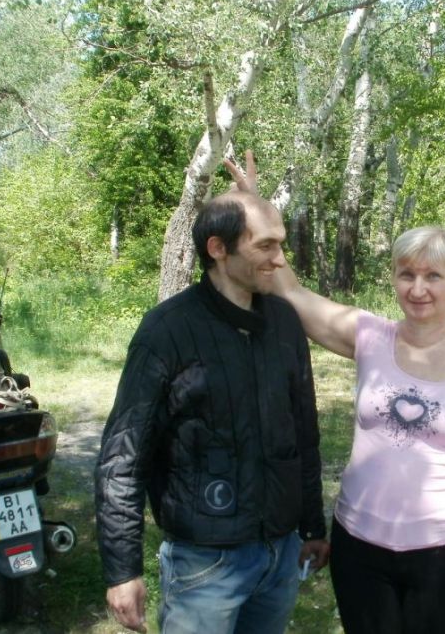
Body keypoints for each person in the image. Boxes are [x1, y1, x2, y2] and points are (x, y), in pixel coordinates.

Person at [226, 152, 445, 634]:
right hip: (359, 545)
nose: (418, 288)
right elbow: (292, 293)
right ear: (394, 279)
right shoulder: (369, 336)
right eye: (407, 274)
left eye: (433, 276)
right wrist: (254, 207)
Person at [94, 188, 330, 634]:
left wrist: (312, 526)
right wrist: (123, 570)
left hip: (280, 554)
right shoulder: (166, 331)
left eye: (280, 244)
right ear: (218, 248)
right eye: (265, 246)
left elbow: (304, 433)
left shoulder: (284, 323)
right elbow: (123, 457)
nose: (280, 260)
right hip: (204, 563)